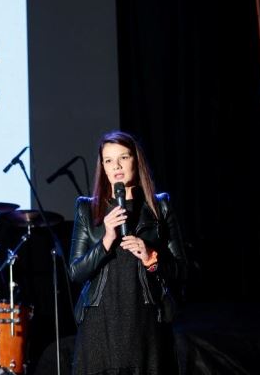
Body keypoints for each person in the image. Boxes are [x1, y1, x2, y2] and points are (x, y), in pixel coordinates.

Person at [69, 130, 186, 374]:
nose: (117, 166)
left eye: (123, 157)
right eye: (109, 160)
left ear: (136, 159)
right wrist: (106, 240)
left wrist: (151, 257)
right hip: (99, 324)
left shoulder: (159, 206)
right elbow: (76, 272)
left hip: (145, 321)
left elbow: (181, 270)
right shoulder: (87, 209)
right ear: (103, 166)